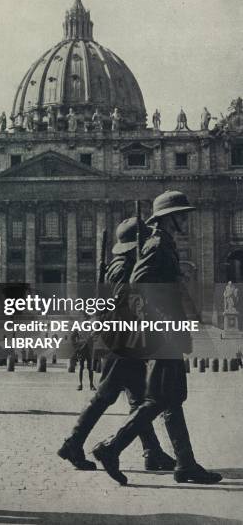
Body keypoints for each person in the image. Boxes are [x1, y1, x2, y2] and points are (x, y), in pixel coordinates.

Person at [93, 191, 222, 486]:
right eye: (181, 215)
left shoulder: (164, 243)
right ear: (169, 217)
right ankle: (111, 448)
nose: (185, 219)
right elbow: (138, 283)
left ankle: (185, 464)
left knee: (171, 399)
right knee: (159, 399)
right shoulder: (158, 244)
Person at [58, 217, 175, 472]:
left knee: (138, 399)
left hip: (125, 339)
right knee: (105, 396)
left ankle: (152, 452)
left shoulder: (124, 263)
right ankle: (72, 443)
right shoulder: (123, 266)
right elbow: (125, 302)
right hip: (123, 340)